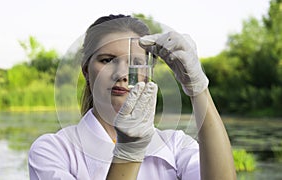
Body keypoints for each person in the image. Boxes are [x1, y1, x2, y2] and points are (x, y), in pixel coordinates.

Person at [28, 14, 236, 180]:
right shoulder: (54, 150)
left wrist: (198, 88)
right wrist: (128, 151)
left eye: (136, 62)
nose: (122, 74)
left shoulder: (176, 145)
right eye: (107, 60)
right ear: (86, 71)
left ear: (150, 71)